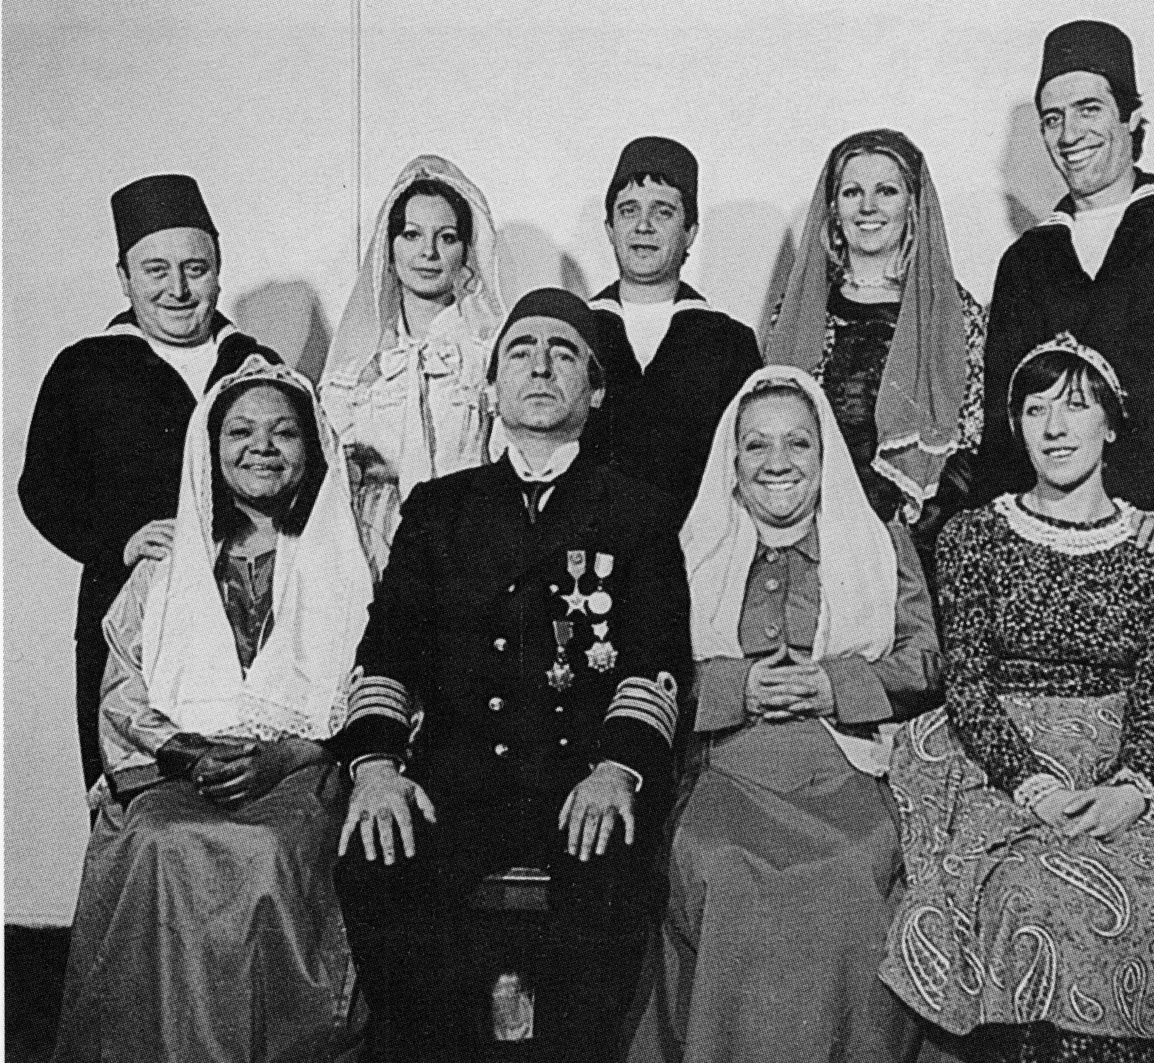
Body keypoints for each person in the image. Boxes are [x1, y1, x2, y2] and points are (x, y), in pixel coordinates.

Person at [334, 288, 692, 1062]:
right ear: (492, 388)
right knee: (373, 861)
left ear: (595, 391)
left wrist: (616, 769)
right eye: (521, 351)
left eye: (563, 353)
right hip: (457, 780)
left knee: (609, 885)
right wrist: (375, 768)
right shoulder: (439, 508)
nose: (540, 365)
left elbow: (655, 661)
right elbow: (388, 651)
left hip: (582, 778)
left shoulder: (639, 512)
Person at [881, 335, 1154, 1063]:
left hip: (1126, 758)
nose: (1054, 429)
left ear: (1111, 424)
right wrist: (1035, 787)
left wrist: (1130, 790)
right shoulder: (974, 537)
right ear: (1015, 426)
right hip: (997, 757)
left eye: (1076, 407)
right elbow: (968, 686)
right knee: (1027, 892)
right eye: (1035, 410)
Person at [53, 357, 374, 1063]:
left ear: (312, 445)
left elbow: (385, 677)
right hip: (182, 764)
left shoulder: (356, 554)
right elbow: (125, 687)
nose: (262, 447)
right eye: (240, 432)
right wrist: (187, 753)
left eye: (284, 432)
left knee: (267, 848)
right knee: (155, 839)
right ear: (211, 446)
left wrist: (291, 755)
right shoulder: (170, 562)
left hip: (309, 761)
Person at [627, 366, 941, 1063]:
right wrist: (734, 687)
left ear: (825, 455)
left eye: (798, 443)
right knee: (722, 867)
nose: (778, 462)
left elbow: (924, 661)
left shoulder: (877, 540)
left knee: (852, 868)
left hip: (847, 763)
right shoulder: (690, 548)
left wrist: (835, 685)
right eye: (757, 444)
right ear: (732, 460)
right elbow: (648, 666)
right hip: (726, 765)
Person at [974, 21, 1154, 763]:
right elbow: (1005, 420)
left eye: (1088, 109)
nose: (1069, 135)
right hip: (1052, 557)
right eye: (1051, 118)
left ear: (1132, 117)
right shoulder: (1028, 259)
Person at [19, 174, 282, 790]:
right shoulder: (86, 367)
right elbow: (43, 490)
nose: (178, 289)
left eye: (196, 268)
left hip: (249, 614)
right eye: (155, 270)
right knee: (138, 795)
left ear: (218, 270)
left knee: (251, 791)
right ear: (124, 277)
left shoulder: (257, 363)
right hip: (126, 619)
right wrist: (120, 541)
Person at [764, 129, 985, 583]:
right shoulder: (796, 311)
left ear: (913, 205)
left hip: (914, 542)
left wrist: (906, 533)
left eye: (886, 191)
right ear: (833, 208)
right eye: (852, 192)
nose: (867, 207)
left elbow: (969, 442)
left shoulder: (954, 314)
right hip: (811, 534)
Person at [320, 154, 504, 579]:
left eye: (447, 237)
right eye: (411, 234)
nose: (428, 252)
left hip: (471, 547)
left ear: (467, 251)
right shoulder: (355, 372)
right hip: (374, 552)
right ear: (389, 248)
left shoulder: (487, 355)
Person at [585, 136, 762, 516]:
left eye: (663, 212)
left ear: (690, 231)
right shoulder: (573, 333)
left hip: (694, 543)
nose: (643, 226)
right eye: (628, 211)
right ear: (610, 229)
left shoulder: (729, 343)